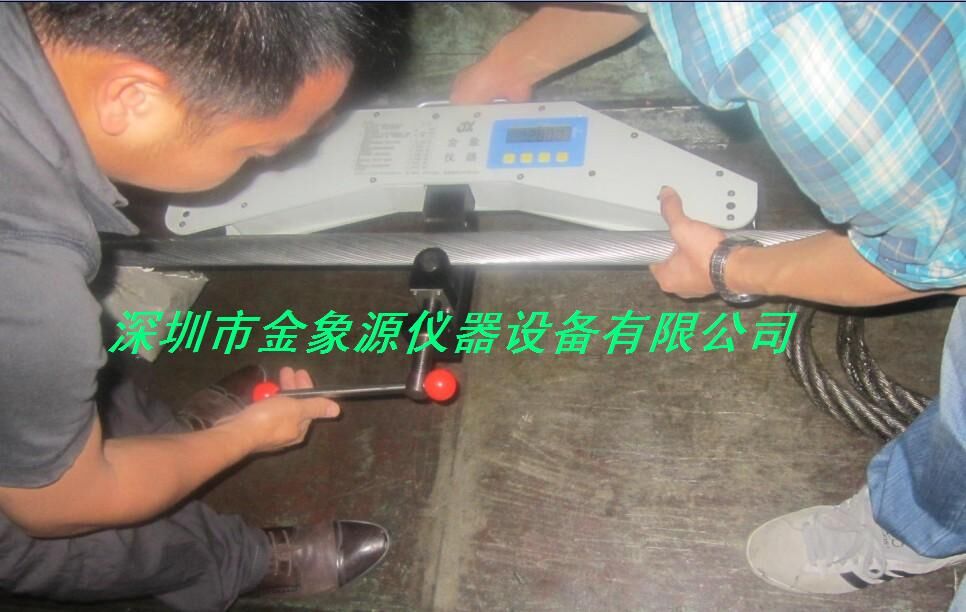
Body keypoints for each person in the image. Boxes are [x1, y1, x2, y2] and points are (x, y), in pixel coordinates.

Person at [451, 1, 966, 606]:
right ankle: (929, 515)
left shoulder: (829, 91)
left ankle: (927, 526)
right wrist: (515, 60)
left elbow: (935, 266)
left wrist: (729, 267)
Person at [0, 3, 393, 610]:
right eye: (257, 150)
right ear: (133, 98)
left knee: (93, 395)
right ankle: (235, 561)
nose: (273, 159)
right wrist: (246, 438)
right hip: (35, 505)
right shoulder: (32, 292)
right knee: (95, 538)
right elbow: (58, 506)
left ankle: (165, 443)